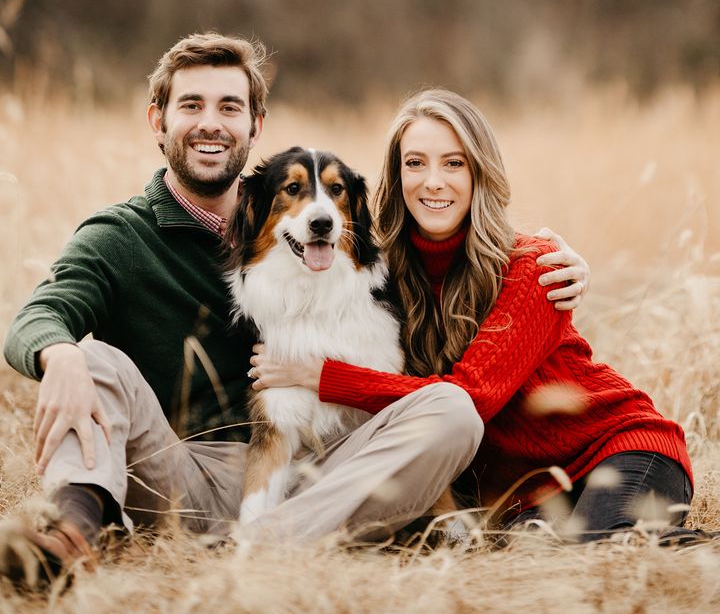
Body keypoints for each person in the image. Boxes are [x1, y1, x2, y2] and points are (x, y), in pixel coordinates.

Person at [0, 40, 589, 590]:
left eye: (229, 106)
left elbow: (438, 242)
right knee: (89, 356)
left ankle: (263, 550)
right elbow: (40, 314)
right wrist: (57, 352)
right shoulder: (120, 237)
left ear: (255, 125)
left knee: (453, 409)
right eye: (191, 104)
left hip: (326, 481)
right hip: (181, 472)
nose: (210, 123)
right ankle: (67, 536)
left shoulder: (333, 252)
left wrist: (548, 258)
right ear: (158, 120)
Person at [249, 88, 694, 542]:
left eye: (454, 163)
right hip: (529, 495)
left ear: (480, 171)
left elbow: (467, 400)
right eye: (416, 163)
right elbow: (268, 247)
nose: (433, 181)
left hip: (619, 450)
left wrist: (322, 376)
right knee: (536, 566)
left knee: (605, 551)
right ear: (397, 174)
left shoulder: (530, 265)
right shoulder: (381, 271)